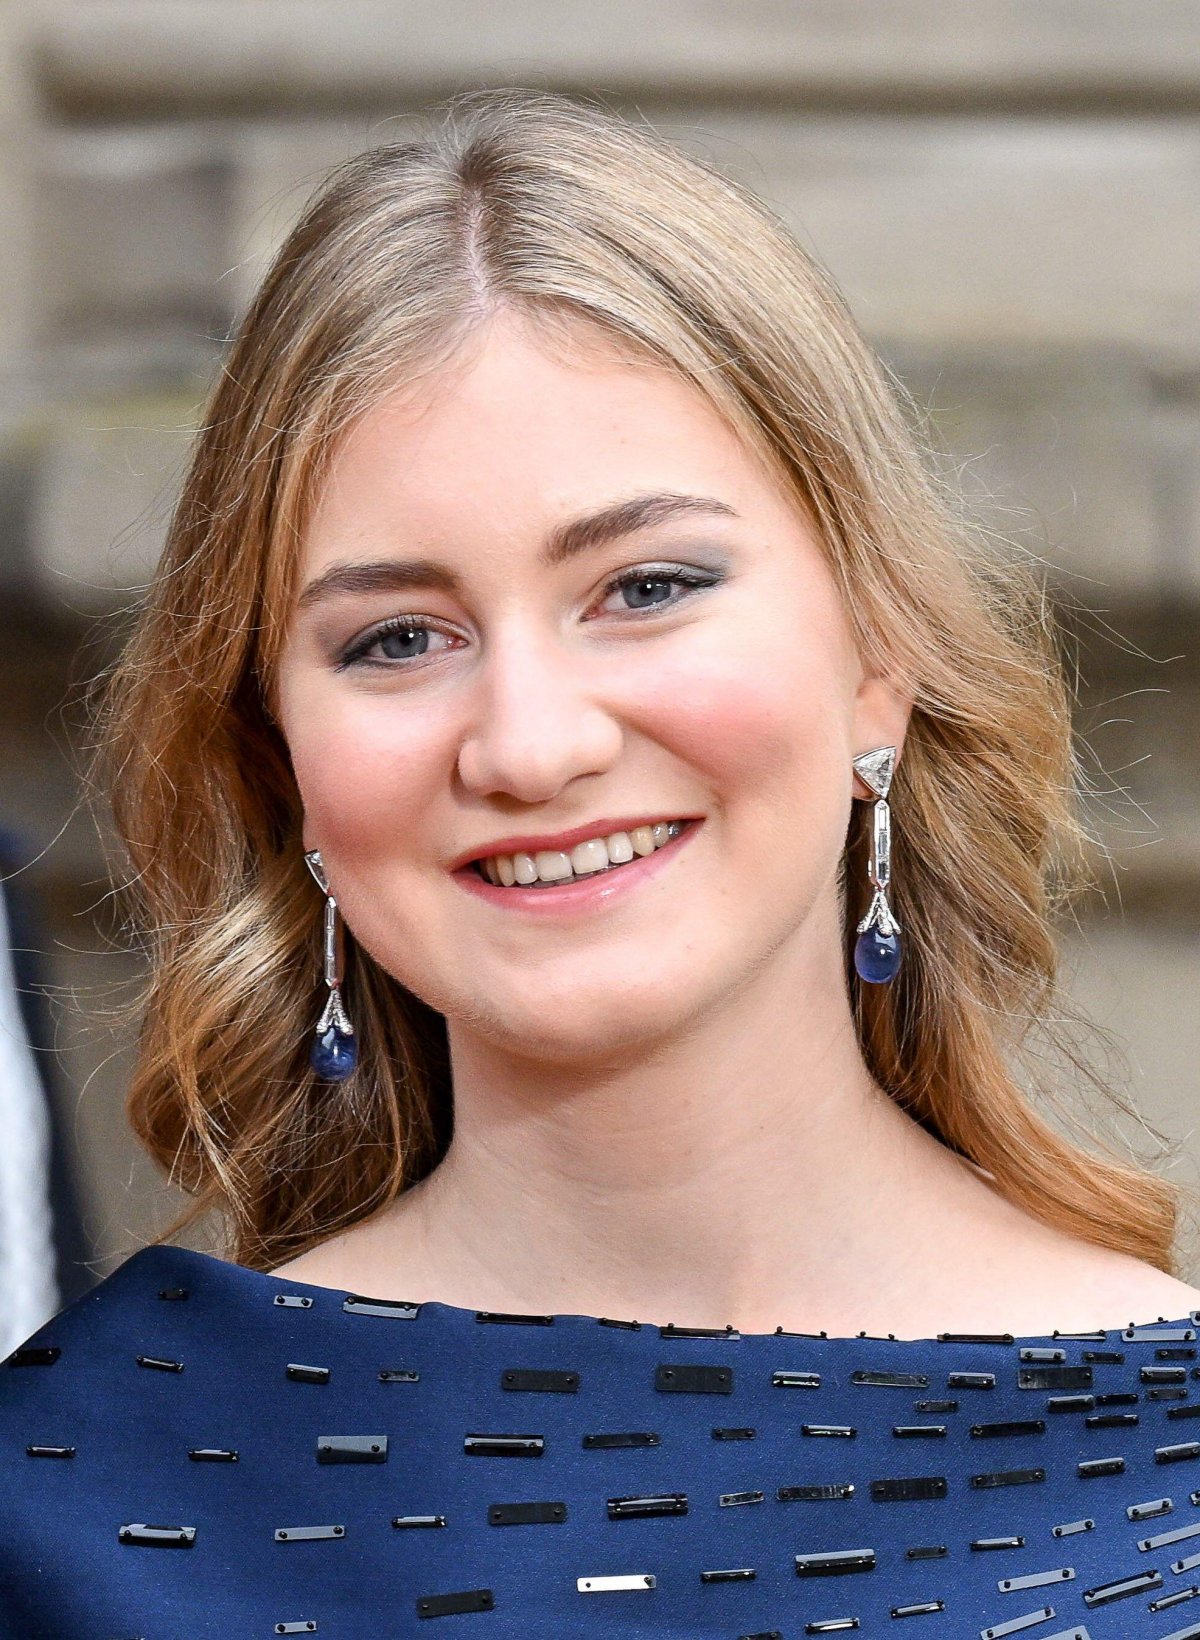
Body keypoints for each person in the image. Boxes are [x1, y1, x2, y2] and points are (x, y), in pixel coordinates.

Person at [2, 86, 1197, 1638]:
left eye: (645, 585)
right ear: (278, 759)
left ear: (876, 653)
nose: (531, 742)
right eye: (398, 638)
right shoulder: (67, 1510)